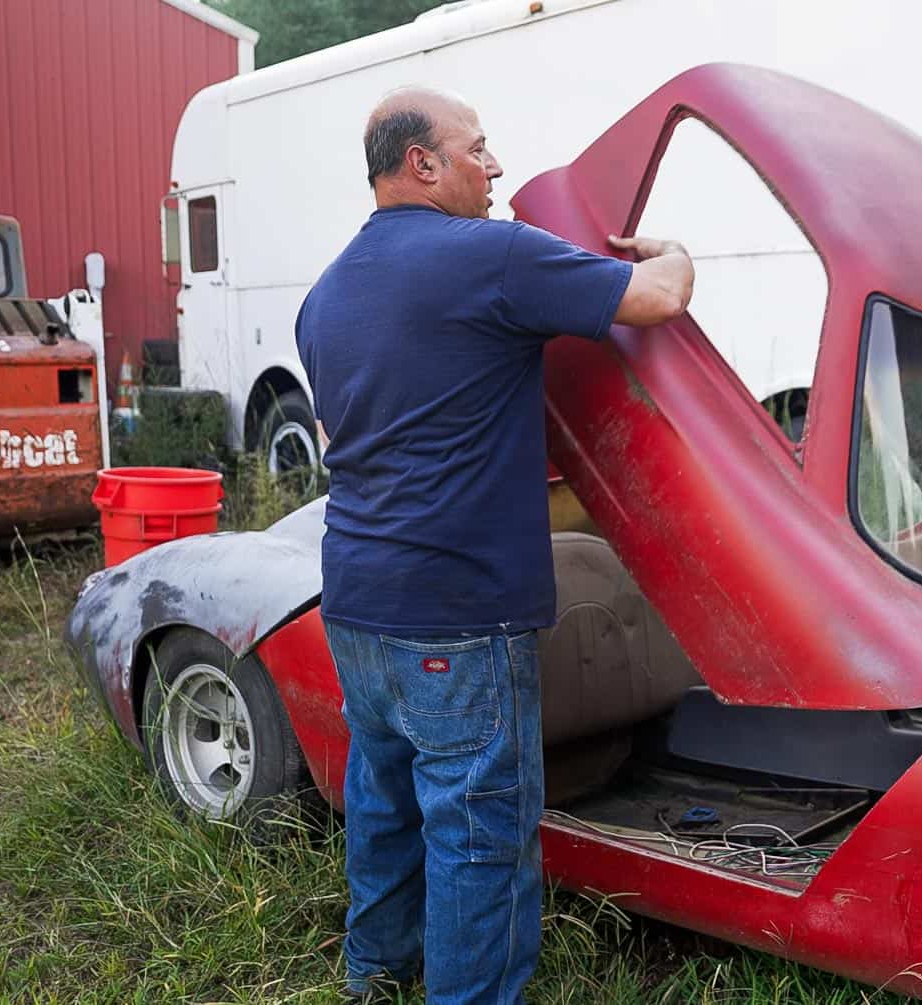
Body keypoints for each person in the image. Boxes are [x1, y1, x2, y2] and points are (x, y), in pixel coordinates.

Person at [295, 86, 694, 1004]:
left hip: (355, 602)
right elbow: (658, 298)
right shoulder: (491, 257)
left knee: (385, 802)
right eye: (480, 148)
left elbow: (338, 440)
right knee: (478, 833)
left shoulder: (324, 297)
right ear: (423, 165)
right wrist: (673, 251)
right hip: (459, 614)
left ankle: (375, 975)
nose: (497, 166)